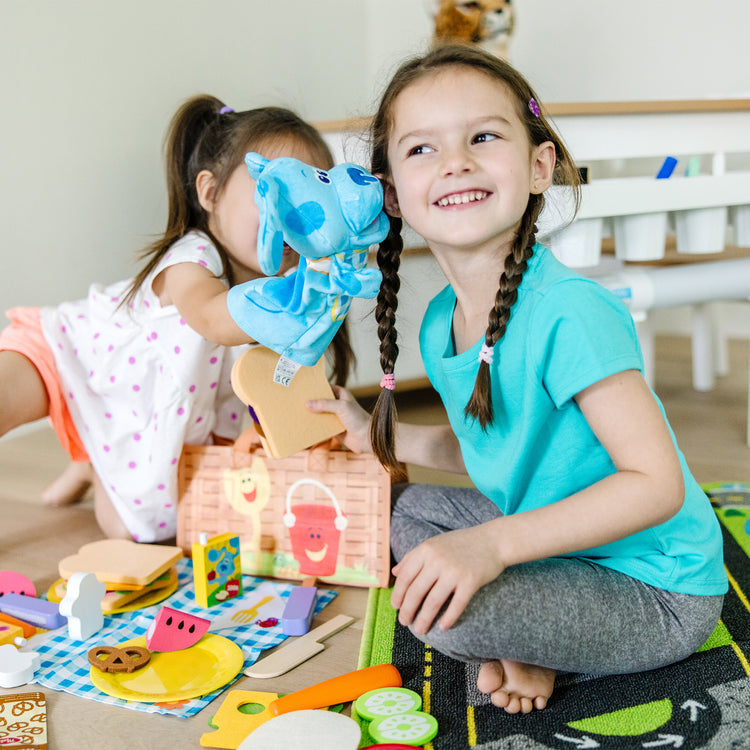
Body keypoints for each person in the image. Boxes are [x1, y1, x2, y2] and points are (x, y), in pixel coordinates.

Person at [308, 44, 727, 714]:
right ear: (390, 193)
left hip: (655, 588)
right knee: (400, 517)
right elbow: (502, 452)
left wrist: (491, 545)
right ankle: (535, 636)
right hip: (559, 546)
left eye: (482, 136)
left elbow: (655, 485)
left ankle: (537, 646)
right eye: (421, 150)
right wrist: (384, 440)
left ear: (538, 167)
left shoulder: (569, 312)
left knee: (443, 612)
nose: (455, 162)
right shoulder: (442, 320)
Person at [0, 95, 353, 542]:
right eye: (272, 196)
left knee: (134, 531)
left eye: (307, 203)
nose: (290, 220)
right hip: (72, 349)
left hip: (137, 405)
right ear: (210, 193)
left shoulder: (295, 277)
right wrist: (295, 308)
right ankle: (87, 460)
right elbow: (211, 317)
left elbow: (269, 385)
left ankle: (92, 463)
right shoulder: (193, 258)